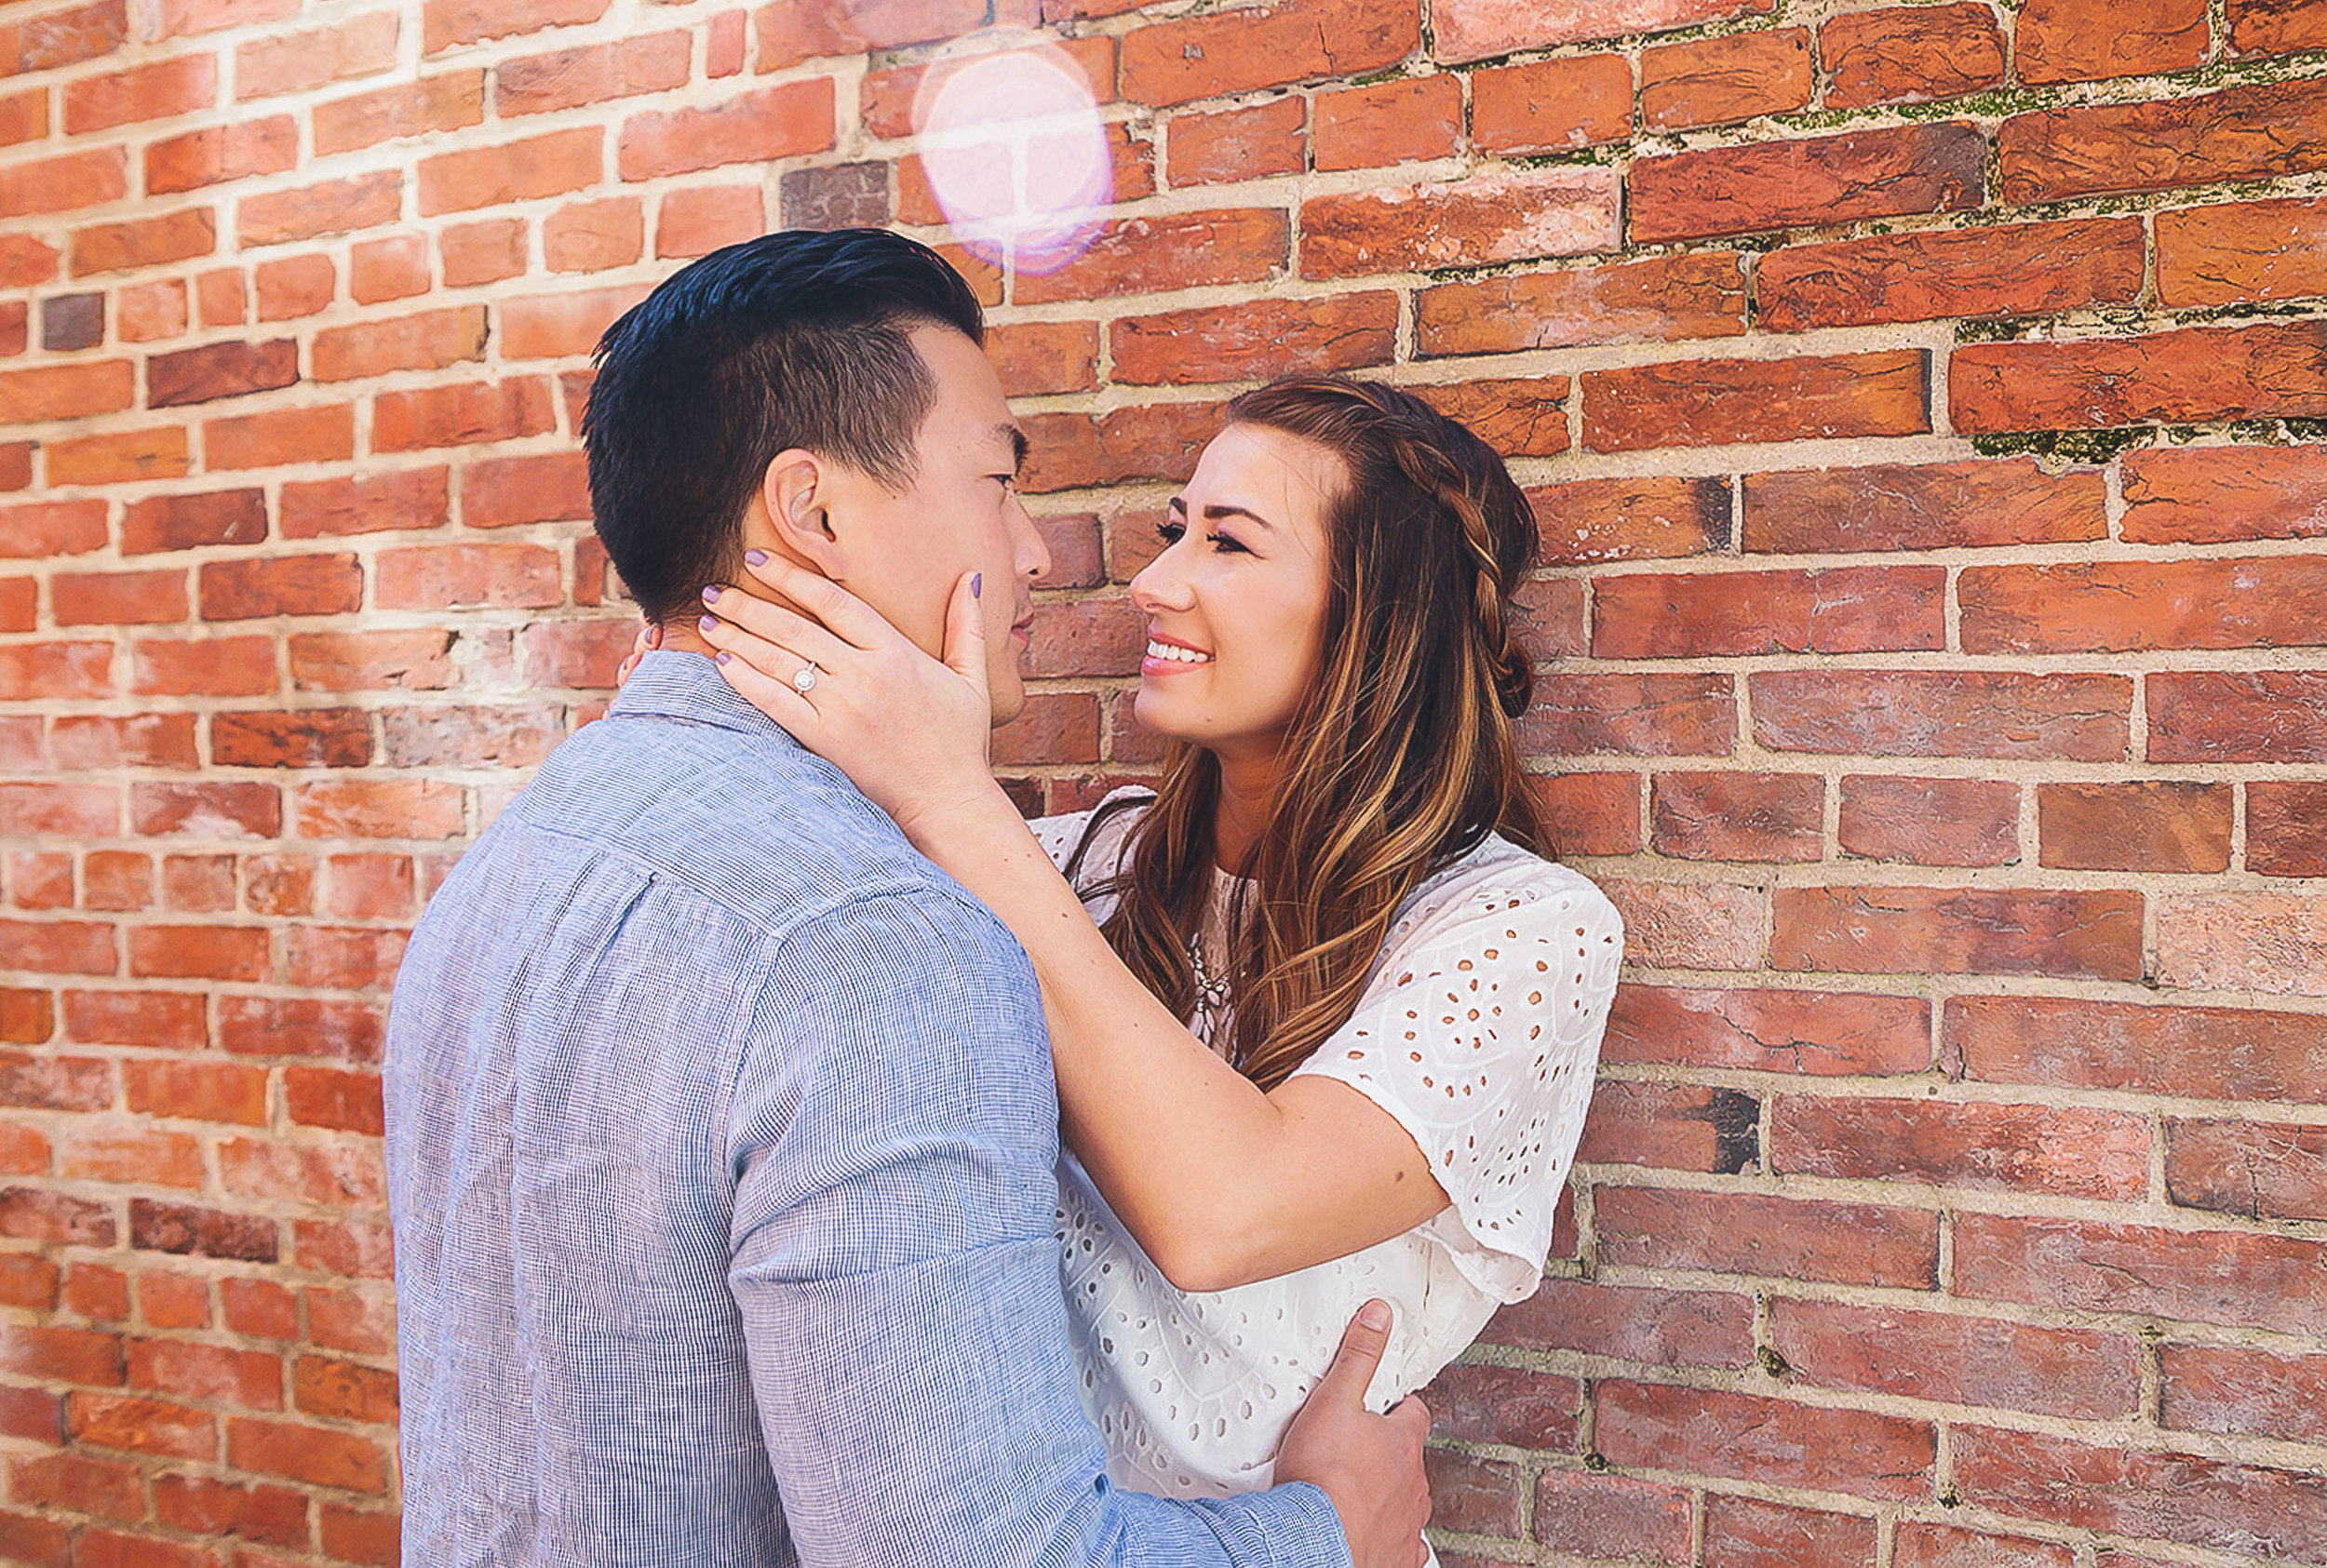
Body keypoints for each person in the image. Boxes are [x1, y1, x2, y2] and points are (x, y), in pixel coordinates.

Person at [383, 229, 1433, 1568]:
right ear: (811, 511)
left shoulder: (520, 858)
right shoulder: (882, 946)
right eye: (997, 481)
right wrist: (1329, 1527)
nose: (1040, 552)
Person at [687, 372, 1625, 1512]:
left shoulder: (1521, 931)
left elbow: (1223, 1212)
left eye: (1227, 545)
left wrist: (951, 795)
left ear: (1377, 614)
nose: (1152, 581)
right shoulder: (1078, 868)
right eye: (1174, 530)